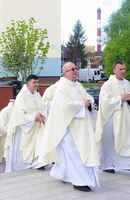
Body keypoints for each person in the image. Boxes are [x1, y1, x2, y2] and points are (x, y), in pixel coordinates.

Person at [39, 62, 100, 192]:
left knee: (75, 153)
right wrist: (81, 103)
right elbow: (64, 106)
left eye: (76, 68)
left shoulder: (78, 85)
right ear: (65, 73)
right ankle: (80, 181)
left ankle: (64, 174)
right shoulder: (61, 88)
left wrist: (88, 102)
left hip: (82, 127)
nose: (75, 71)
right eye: (72, 69)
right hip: (68, 127)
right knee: (75, 154)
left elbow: (88, 97)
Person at [95, 61, 130, 173]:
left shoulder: (126, 83)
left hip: (125, 117)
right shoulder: (108, 85)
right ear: (114, 70)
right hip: (112, 118)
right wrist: (120, 98)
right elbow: (105, 102)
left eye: (124, 69)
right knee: (111, 142)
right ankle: (108, 165)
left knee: (129, 139)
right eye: (120, 69)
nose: (123, 71)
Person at [4, 74, 48, 172]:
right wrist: (33, 118)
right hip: (25, 127)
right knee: (24, 147)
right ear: (28, 84)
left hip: (37, 126)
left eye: (37, 82)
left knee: (40, 142)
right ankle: (23, 164)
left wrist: (43, 116)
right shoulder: (22, 96)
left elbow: (43, 108)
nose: (36, 84)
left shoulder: (37, 95)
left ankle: (39, 162)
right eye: (34, 82)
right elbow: (20, 114)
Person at [0, 99, 15, 173]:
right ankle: (5, 173)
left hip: (15, 138)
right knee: (6, 157)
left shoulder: (17, 111)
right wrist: (12, 128)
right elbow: (1, 126)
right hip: (6, 138)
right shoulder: (5, 111)